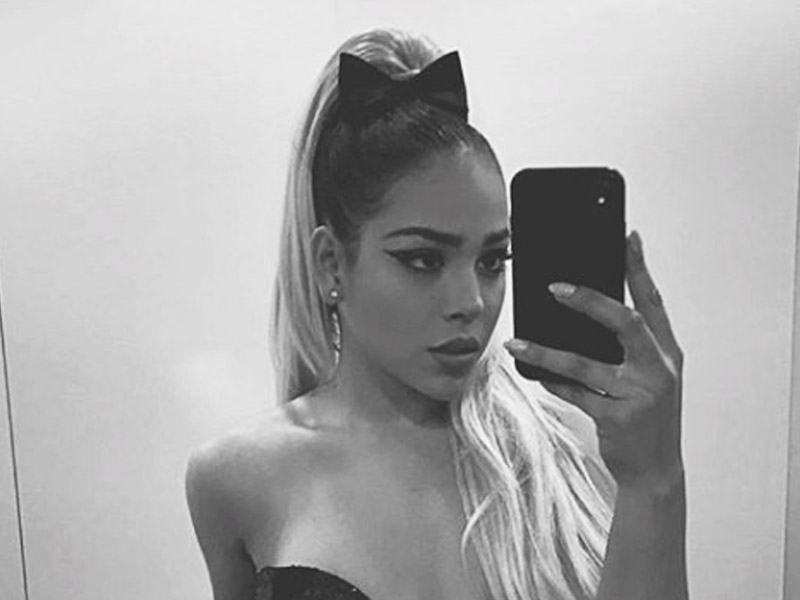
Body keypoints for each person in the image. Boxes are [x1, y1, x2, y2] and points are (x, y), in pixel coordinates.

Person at [185, 27, 688, 600]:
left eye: (493, 260)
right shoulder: (236, 478)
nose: (471, 302)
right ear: (331, 265)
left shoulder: (569, 452)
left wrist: (655, 483)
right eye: (423, 260)